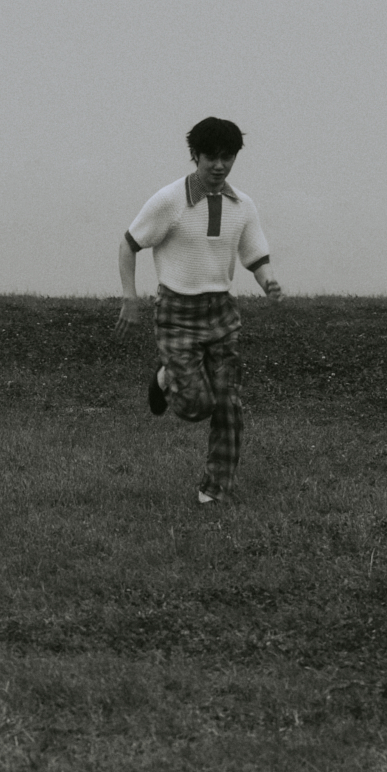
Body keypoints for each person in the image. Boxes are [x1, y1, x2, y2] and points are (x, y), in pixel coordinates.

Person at [117, 116, 282, 505]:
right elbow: (128, 245)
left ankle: (215, 487)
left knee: (228, 403)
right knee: (195, 406)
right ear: (196, 156)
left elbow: (255, 255)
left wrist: (268, 281)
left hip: (222, 312)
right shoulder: (169, 200)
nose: (219, 166)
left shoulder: (243, 205)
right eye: (211, 157)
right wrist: (130, 297)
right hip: (177, 313)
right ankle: (165, 378)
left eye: (228, 158)